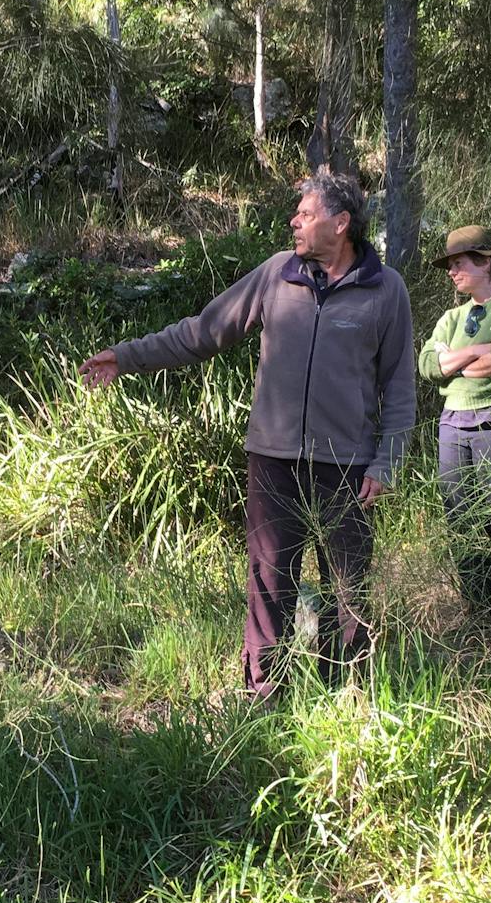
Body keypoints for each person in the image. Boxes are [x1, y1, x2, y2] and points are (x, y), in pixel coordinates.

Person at [80, 174, 417, 697]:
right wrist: (127, 357)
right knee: (268, 580)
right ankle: (264, 695)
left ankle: (346, 695)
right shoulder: (275, 276)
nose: (294, 222)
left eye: (305, 214)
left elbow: (398, 386)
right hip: (274, 459)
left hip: (347, 466)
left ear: (341, 223)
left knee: (347, 591)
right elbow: (201, 333)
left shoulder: (384, 289)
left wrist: (386, 462)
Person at [417, 226, 491, 613]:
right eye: (449, 266)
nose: (452, 272)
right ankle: (478, 609)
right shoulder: (450, 317)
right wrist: (474, 352)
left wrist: (454, 358)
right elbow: (427, 366)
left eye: (459, 263)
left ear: (486, 262)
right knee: (461, 519)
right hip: (453, 423)